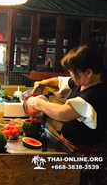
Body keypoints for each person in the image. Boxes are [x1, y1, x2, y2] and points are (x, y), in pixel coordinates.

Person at [27, 46, 107, 185]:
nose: (70, 74)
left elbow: (62, 113)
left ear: (88, 72)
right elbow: (59, 81)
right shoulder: (82, 82)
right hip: (70, 148)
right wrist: (44, 83)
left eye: (73, 71)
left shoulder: (96, 94)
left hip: (87, 157)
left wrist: (37, 102)